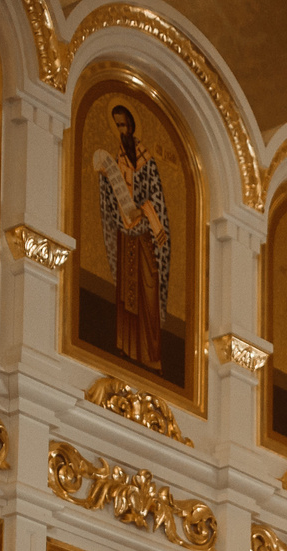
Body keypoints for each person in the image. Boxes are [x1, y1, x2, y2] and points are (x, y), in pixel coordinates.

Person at [95, 104, 170, 372]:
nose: (121, 131)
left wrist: (144, 210)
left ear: (132, 126)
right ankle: (127, 348)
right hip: (126, 234)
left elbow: (157, 197)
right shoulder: (118, 160)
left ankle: (150, 354)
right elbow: (113, 195)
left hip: (145, 235)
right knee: (127, 293)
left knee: (148, 290)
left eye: (124, 125)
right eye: (117, 126)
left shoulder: (146, 160)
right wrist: (105, 179)